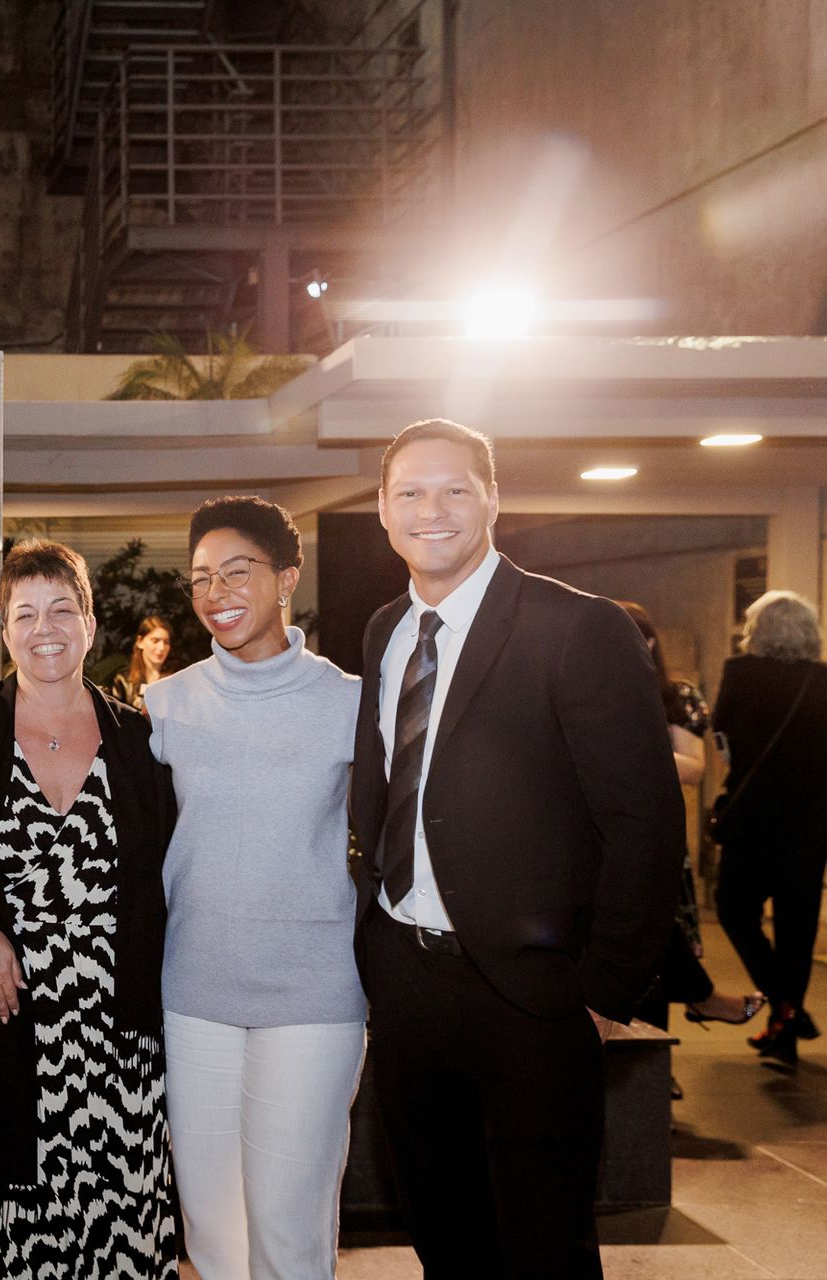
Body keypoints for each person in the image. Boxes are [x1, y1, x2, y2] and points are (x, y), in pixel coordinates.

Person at [349, 419, 683, 1280]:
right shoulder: (385, 630)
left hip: (536, 1000)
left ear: (493, 498)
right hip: (407, 982)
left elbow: (644, 824)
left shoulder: (578, 628)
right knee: (444, 1236)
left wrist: (605, 991)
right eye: (409, 492)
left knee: (545, 1247)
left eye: (455, 488)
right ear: (383, 512)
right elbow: (385, 790)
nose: (432, 510)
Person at [0, 538, 177, 1278]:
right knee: (12, 1232)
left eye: (62, 608)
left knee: (120, 1228)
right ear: (4, 630)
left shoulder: (140, 739)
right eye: (25, 613)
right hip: (6, 1028)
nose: (45, 628)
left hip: (120, 1040)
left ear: (90, 624)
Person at [147, 497, 364, 1280]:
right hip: (193, 992)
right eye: (201, 577)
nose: (215, 592)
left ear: (287, 579)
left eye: (237, 572)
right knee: (210, 1229)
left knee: (289, 1223)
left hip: (313, 998)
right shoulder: (163, 706)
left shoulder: (349, 704)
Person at [615, 601, 763, 1047]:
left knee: (654, 930)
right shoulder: (591, 687)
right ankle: (687, 1011)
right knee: (629, 940)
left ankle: (656, 1057)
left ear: (651, 643)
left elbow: (695, 768)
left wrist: (624, 746)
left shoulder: (675, 695)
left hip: (652, 830)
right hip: (602, 830)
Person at [711, 589, 827, 1067]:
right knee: (796, 930)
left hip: (753, 818)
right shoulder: (823, 680)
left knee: (734, 910)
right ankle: (786, 1021)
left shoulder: (740, 673)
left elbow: (722, 742)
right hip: (811, 824)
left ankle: (785, 1012)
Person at [109, 614, 172, 713]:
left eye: (166, 642)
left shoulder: (174, 680)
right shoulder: (123, 680)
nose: (161, 648)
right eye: (155, 641)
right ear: (140, 642)